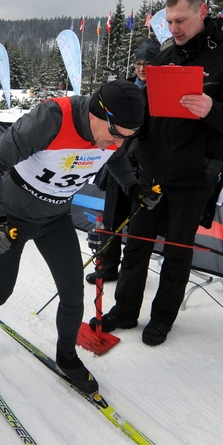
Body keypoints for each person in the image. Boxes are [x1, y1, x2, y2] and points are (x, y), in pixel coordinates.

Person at [0, 80, 160, 394]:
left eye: (127, 139)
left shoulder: (113, 138)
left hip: (56, 219)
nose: (118, 143)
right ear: (97, 113)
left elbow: (114, 158)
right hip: (13, 217)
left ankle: (66, 356)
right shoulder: (51, 119)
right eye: (116, 134)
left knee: (73, 293)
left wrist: (133, 187)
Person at [96, 0, 223, 346]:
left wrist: (212, 110)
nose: (174, 28)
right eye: (169, 21)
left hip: (193, 176)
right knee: (136, 244)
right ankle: (125, 311)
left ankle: (163, 318)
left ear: (202, 11)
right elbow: (148, 113)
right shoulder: (165, 56)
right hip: (151, 173)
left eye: (181, 20)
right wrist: (126, 137)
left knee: (177, 252)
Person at [85, 39, 161, 285]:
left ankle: (131, 272)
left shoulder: (162, 91)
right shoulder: (126, 86)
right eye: (139, 64)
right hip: (119, 160)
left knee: (138, 224)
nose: (141, 69)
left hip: (145, 166)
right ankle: (107, 266)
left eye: (147, 64)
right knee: (112, 218)